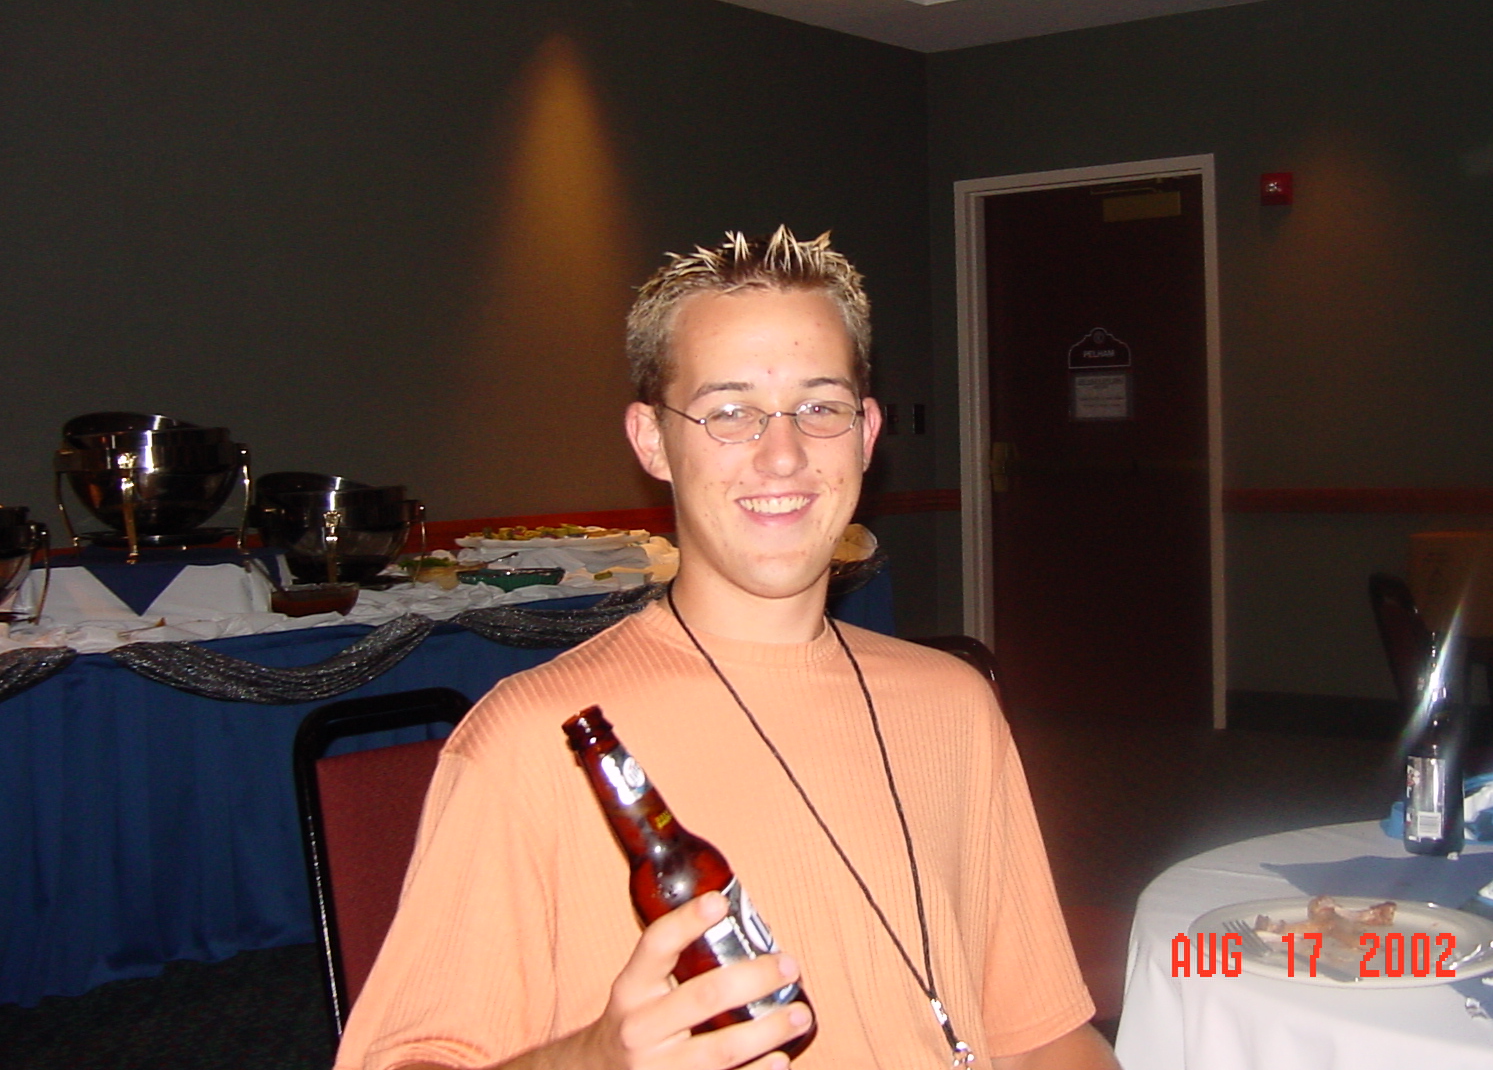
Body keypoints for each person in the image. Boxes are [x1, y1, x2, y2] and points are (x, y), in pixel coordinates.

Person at [335, 228, 1119, 1070]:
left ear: (866, 433)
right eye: (730, 412)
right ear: (651, 440)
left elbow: (1042, 1035)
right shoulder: (527, 743)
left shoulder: (954, 704)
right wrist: (592, 1061)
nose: (782, 455)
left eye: (820, 407)